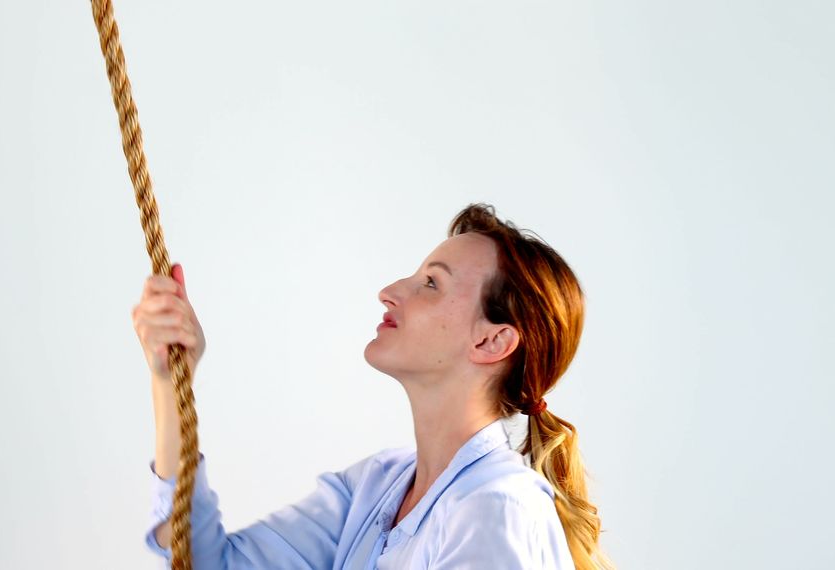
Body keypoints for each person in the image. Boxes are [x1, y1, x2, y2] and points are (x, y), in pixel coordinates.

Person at [133, 203, 615, 569]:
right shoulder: (375, 487)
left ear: (492, 340)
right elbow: (211, 564)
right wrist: (169, 382)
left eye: (431, 283)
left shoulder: (496, 512)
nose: (390, 291)